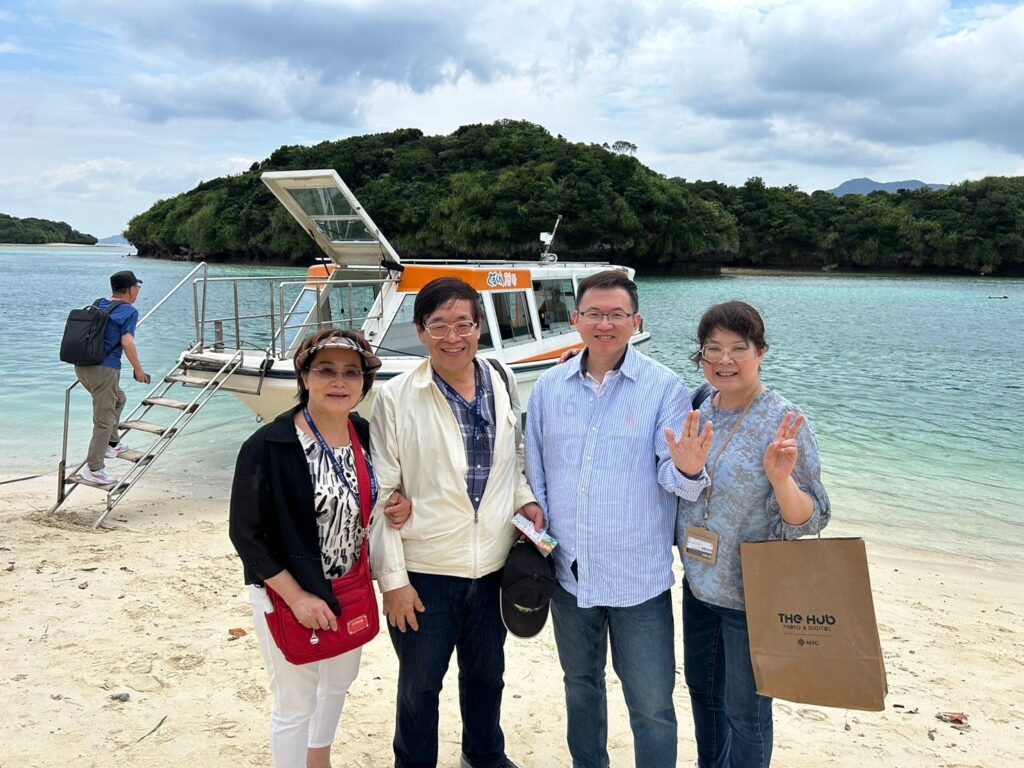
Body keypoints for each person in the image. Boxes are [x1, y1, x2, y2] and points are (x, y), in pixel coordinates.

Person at [524, 269, 709, 768]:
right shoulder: (548, 388)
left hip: (639, 581)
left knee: (651, 705)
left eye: (617, 315)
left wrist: (690, 467)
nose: (605, 324)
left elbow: (677, 477)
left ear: (636, 321)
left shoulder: (664, 388)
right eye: (595, 314)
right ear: (575, 318)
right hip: (570, 576)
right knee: (580, 689)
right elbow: (535, 475)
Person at [368, 277, 544, 768]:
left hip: (492, 567)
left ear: (479, 327)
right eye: (438, 325)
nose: (453, 337)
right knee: (420, 687)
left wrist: (526, 502)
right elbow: (383, 494)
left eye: (463, 323)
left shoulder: (501, 379)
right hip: (425, 570)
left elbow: (514, 461)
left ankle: (484, 754)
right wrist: (393, 582)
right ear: (420, 331)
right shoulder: (397, 396)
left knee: (488, 677)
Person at [229, 328, 412, 768]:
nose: (339, 381)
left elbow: (380, 496)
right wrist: (298, 598)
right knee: (294, 703)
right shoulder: (269, 445)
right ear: (304, 376)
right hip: (287, 591)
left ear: (364, 383)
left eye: (352, 373)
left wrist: (398, 505)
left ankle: (319, 759)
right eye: (326, 370)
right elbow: (246, 535)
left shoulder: (366, 435)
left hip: (350, 586)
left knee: (338, 682)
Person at [674, 301, 831, 768]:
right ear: (700, 356)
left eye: (738, 349)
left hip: (751, 594)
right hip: (699, 584)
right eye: (712, 349)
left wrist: (783, 480)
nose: (725, 360)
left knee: (747, 710)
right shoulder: (698, 403)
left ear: (760, 352)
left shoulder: (784, 421)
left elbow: (810, 519)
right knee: (703, 694)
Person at [75, 269, 149, 486]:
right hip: (104, 370)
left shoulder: (99, 302)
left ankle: (112, 444)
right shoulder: (128, 311)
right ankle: (94, 469)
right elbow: (127, 342)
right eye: (137, 287)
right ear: (130, 290)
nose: (138, 291)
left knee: (119, 398)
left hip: (82, 366)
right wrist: (138, 370)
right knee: (104, 421)